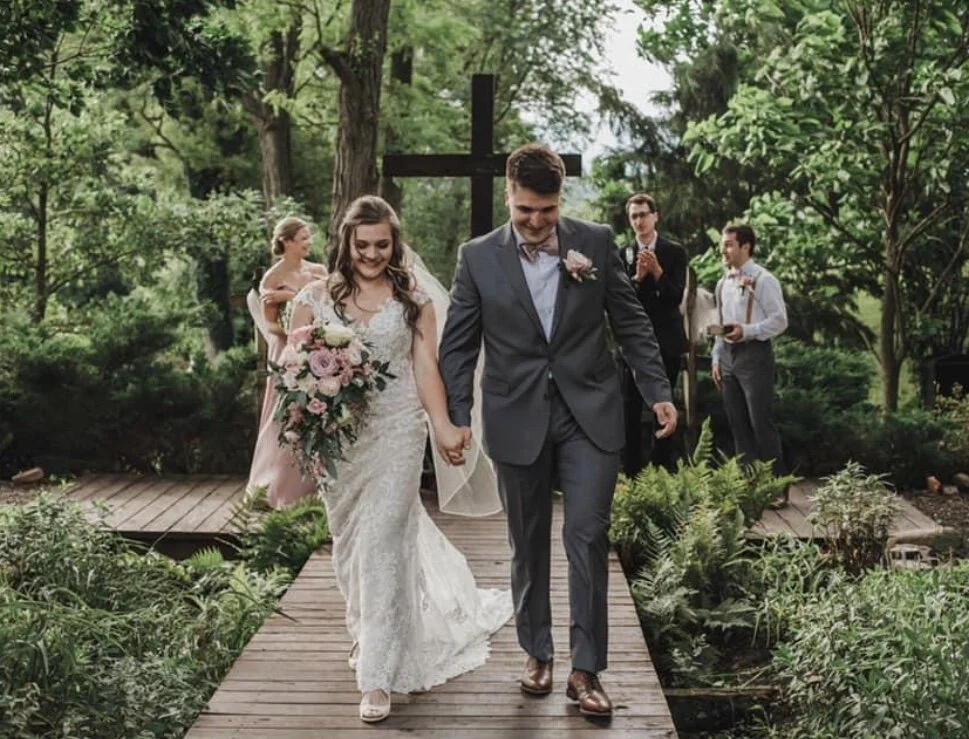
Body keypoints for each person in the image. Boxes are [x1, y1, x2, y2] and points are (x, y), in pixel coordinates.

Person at [438, 143, 677, 718]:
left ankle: (585, 669)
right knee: (528, 542)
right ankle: (537, 651)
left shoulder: (593, 242)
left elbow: (631, 321)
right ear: (508, 197)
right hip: (514, 415)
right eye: (525, 210)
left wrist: (658, 391)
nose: (537, 222)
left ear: (560, 199)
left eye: (547, 210)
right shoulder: (477, 258)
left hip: (589, 413)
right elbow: (458, 344)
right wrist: (456, 417)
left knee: (588, 538)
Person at [288, 195, 511, 724]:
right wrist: (306, 417)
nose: (370, 254)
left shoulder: (412, 301)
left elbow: (425, 371)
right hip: (339, 440)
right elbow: (293, 371)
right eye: (361, 245)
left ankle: (378, 676)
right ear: (345, 242)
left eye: (381, 244)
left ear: (395, 243)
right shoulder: (313, 299)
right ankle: (366, 633)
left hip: (396, 433)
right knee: (350, 547)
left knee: (384, 540)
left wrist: (444, 426)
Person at [246, 217, 327, 509]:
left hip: (319, 351)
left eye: (309, 237)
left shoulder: (318, 271)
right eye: (303, 238)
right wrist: (297, 329)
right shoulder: (272, 279)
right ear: (287, 242)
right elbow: (271, 326)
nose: (309, 242)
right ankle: (278, 489)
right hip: (287, 351)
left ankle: (315, 488)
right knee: (285, 416)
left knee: (316, 415)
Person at [711, 224, 790, 507]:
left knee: (760, 422)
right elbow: (721, 324)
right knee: (738, 424)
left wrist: (748, 330)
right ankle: (749, 485)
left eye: (730, 244)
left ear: (746, 247)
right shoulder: (723, 283)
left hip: (755, 355)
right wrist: (716, 357)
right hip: (729, 357)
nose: (724, 250)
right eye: (723, 244)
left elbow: (780, 321)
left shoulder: (763, 280)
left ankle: (778, 486)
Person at [619, 193, 688, 475]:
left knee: (664, 408)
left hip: (666, 342)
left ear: (655, 216)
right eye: (634, 216)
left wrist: (657, 272)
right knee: (629, 411)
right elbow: (620, 301)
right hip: (631, 345)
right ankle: (632, 473)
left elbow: (674, 298)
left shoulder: (674, 252)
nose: (639, 220)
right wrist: (637, 278)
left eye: (644, 214)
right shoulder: (622, 252)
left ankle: (663, 472)